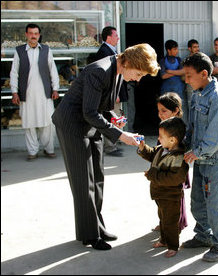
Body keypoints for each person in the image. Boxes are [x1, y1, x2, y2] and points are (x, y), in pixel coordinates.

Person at [52, 44, 160, 250]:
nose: (138, 79)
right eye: (138, 74)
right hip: (72, 125)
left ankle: (97, 226)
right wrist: (121, 135)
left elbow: (100, 105)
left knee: (98, 178)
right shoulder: (99, 71)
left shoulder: (118, 69)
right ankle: (90, 236)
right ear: (128, 62)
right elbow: (89, 112)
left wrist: (113, 118)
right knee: (84, 182)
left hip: (90, 125)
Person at [182, 52, 218, 262]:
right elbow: (193, 126)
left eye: (189, 75)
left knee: (215, 204)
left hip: (216, 161)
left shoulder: (217, 97)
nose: (186, 80)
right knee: (198, 202)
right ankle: (203, 235)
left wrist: (197, 151)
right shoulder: (198, 94)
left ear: (204, 74)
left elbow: (217, 135)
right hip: (201, 159)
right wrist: (184, 143)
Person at [137, 116, 189, 258]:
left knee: (170, 222)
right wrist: (143, 148)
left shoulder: (179, 158)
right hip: (160, 194)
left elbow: (174, 179)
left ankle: (173, 246)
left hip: (171, 197)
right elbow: (152, 153)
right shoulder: (162, 148)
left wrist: (152, 175)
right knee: (162, 218)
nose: (158, 139)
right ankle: (164, 240)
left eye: (161, 136)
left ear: (172, 140)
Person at [10, 23, 59, 161]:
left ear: (39, 35)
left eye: (36, 33)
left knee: (48, 123)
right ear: (26, 35)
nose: (33, 36)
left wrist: (55, 88)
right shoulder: (19, 51)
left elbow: (53, 70)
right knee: (29, 123)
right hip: (27, 94)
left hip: (45, 93)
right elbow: (14, 73)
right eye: (31, 33)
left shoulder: (46, 50)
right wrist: (14, 92)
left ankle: (49, 149)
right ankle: (32, 151)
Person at [151, 92, 190, 232]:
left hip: (173, 171)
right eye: (158, 111)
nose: (160, 114)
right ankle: (164, 222)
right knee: (162, 198)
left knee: (175, 200)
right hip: (163, 170)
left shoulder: (178, 130)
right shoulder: (165, 126)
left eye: (164, 111)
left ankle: (176, 225)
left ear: (176, 111)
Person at [95, 26, 128, 157]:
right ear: (108, 37)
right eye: (115, 35)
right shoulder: (104, 52)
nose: (118, 38)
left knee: (115, 118)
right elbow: (109, 76)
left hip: (113, 93)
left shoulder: (110, 50)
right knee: (112, 118)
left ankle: (112, 144)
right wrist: (116, 94)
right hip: (111, 94)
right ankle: (110, 147)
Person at [160, 40, 186, 116]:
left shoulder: (179, 60)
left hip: (178, 89)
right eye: (175, 49)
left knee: (178, 110)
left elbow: (183, 72)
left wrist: (169, 71)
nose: (177, 51)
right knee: (166, 109)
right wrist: (177, 72)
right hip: (166, 90)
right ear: (168, 50)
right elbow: (163, 76)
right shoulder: (163, 61)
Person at [183, 39, 200, 124]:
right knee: (191, 107)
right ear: (189, 49)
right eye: (194, 47)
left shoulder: (202, 59)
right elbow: (183, 75)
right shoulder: (186, 60)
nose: (197, 49)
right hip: (190, 87)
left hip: (201, 87)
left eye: (198, 47)